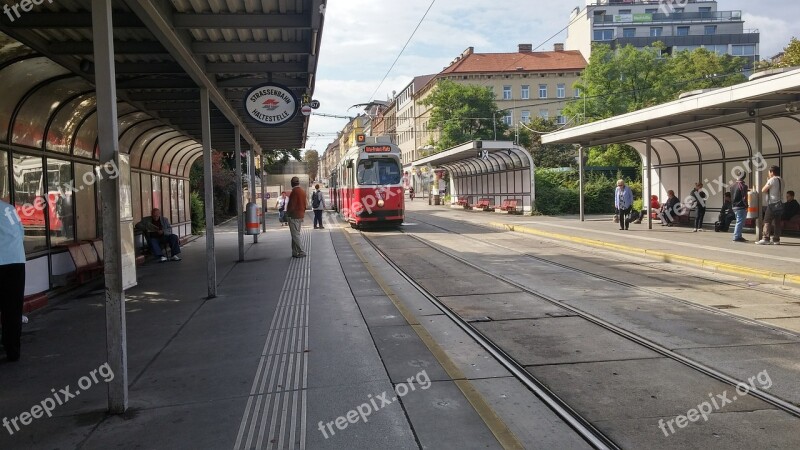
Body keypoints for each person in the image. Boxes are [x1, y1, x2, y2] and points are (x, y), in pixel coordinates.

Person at [1, 199, 25, 361]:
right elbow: (21, 232)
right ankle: (13, 351)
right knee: (13, 308)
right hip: (16, 261)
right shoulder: (9, 209)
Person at [756, 165, 783, 245]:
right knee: (777, 222)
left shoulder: (772, 180)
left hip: (772, 203)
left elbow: (763, 190)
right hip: (780, 203)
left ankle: (766, 238)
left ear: (772, 172)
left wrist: (767, 181)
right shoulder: (782, 180)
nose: (768, 174)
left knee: (767, 220)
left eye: (769, 172)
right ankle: (776, 239)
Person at [287, 177, 307, 258]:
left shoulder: (294, 192)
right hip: (300, 215)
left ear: (292, 183)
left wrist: (287, 214)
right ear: (298, 183)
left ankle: (301, 251)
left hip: (294, 216)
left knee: (295, 235)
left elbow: (292, 205)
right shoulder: (302, 191)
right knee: (295, 234)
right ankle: (294, 252)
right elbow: (305, 204)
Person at [730, 173, 749, 243]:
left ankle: (739, 235)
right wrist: (746, 205)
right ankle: (737, 236)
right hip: (740, 206)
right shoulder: (743, 186)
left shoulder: (732, 185)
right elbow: (744, 197)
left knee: (739, 221)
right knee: (740, 221)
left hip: (734, 206)